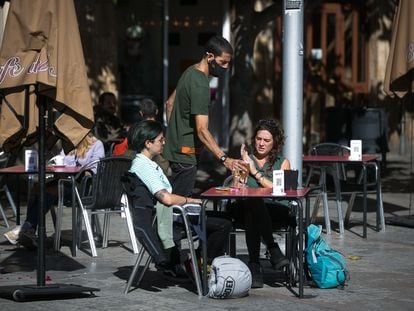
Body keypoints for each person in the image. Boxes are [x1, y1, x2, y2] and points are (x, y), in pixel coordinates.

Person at [127, 120, 231, 276]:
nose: (164, 142)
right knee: (223, 224)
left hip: (170, 216)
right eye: (161, 139)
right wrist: (191, 200)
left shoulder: (147, 163)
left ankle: (198, 260)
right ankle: (201, 264)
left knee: (223, 218)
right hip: (170, 220)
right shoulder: (143, 166)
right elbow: (167, 199)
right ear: (148, 143)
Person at [163, 35, 246, 197]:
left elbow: (169, 104)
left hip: (174, 151)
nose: (226, 67)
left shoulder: (190, 71)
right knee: (178, 205)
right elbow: (202, 130)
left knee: (172, 201)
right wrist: (224, 159)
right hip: (187, 154)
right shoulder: (201, 85)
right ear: (209, 57)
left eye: (229, 63)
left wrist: (173, 134)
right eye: (223, 62)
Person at [3, 132, 105, 248]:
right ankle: (30, 228)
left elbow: (95, 168)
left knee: (50, 190)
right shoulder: (68, 146)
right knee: (37, 188)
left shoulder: (97, 145)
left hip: (85, 188)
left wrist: (80, 170)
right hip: (66, 183)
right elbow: (62, 164)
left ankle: (27, 228)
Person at [233, 119, 291, 288]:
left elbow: (279, 190)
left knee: (253, 206)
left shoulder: (283, 162)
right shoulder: (246, 160)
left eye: (266, 140)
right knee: (253, 204)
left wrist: (255, 172)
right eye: (259, 139)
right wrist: (241, 174)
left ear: (275, 143)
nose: (261, 143)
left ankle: (254, 264)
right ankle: (272, 249)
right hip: (248, 209)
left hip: (275, 209)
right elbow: (235, 190)